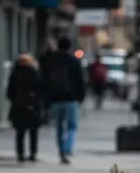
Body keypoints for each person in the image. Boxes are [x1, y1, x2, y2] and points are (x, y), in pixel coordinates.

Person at [43, 37, 85, 165]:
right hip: (70, 98)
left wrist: (46, 99)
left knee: (59, 127)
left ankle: (61, 150)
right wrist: (80, 97)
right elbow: (80, 80)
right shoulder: (74, 61)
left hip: (55, 99)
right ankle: (68, 147)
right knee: (72, 125)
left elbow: (44, 80)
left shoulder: (50, 60)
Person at [7, 53, 43, 163]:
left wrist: (14, 100)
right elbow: (40, 89)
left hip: (18, 106)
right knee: (33, 132)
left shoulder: (14, 73)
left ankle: (20, 153)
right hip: (32, 106)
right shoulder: (34, 72)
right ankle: (33, 153)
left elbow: (9, 91)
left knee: (20, 132)